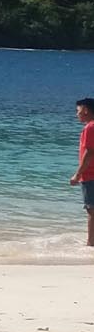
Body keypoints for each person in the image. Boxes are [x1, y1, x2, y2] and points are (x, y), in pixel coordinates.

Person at [74, 98, 94, 247]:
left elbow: (89, 153)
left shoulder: (90, 127)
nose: (77, 114)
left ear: (86, 110)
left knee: (91, 210)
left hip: (90, 175)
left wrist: (78, 174)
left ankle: (91, 244)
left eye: (78, 110)